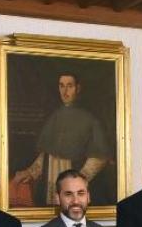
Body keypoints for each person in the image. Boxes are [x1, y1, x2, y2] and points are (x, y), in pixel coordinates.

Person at [13, 73, 112, 205]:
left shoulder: (90, 119)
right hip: (50, 182)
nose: (65, 91)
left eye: (69, 86)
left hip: (75, 183)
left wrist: (76, 181)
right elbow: (47, 154)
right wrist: (30, 172)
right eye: (62, 86)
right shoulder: (55, 116)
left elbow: (99, 157)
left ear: (78, 88)